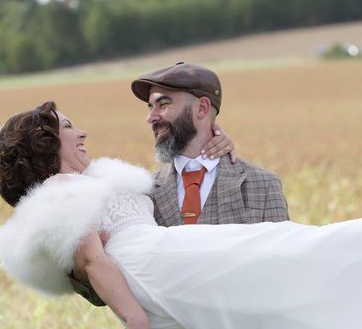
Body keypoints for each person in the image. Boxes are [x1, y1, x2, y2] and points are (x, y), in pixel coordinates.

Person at [0, 101, 362, 329]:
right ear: (45, 145)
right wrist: (137, 322)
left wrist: (215, 148)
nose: (82, 134)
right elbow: (93, 261)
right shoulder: (61, 188)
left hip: (166, 263)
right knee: (291, 250)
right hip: (156, 266)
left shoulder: (94, 181)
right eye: (70, 128)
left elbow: (166, 190)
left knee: (284, 254)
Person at [71, 62, 290, 306]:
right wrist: (85, 265)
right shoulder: (139, 194)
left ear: (202, 108)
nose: (151, 117)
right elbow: (106, 294)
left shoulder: (262, 186)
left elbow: (282, 277)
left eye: (163, 104)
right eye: (150, 107)